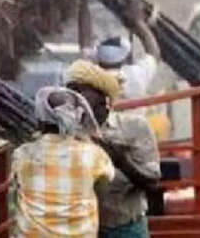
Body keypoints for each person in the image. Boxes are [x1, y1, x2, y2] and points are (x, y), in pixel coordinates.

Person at [66, 60, 162, 238]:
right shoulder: (65, 133)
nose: (74, 98)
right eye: (71, 92)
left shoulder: (134, 127)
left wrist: (121, 161)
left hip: (126, 229)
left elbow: (152, 183)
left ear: (102, 98)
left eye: (80, 91)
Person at [12, 86, 114, 237]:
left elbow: (16, 189)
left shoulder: (23, 155)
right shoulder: (93, 155)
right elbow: (105, 186)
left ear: (40, 119)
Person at [95, 0, 161, 101]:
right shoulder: (132, 76)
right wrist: (138, 22)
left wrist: (83, 1)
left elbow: (85, 44)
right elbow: (153, 53)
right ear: (124, 60)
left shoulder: (91, 80)